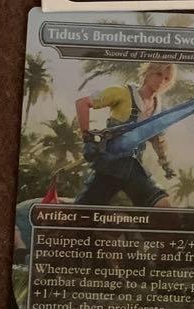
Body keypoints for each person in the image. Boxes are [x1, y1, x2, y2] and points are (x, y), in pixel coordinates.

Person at [74, 62, 177, 207]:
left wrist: (164, 162)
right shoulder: (122, 93)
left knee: (163, 207)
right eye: (158, 74)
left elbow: (157, 138)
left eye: (166, 78)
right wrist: (87, 138)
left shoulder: (159, 110)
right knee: (83, 213)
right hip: (109, 167)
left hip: (134, 169)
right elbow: (82, 103)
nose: (161, 81)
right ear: (148, 73)